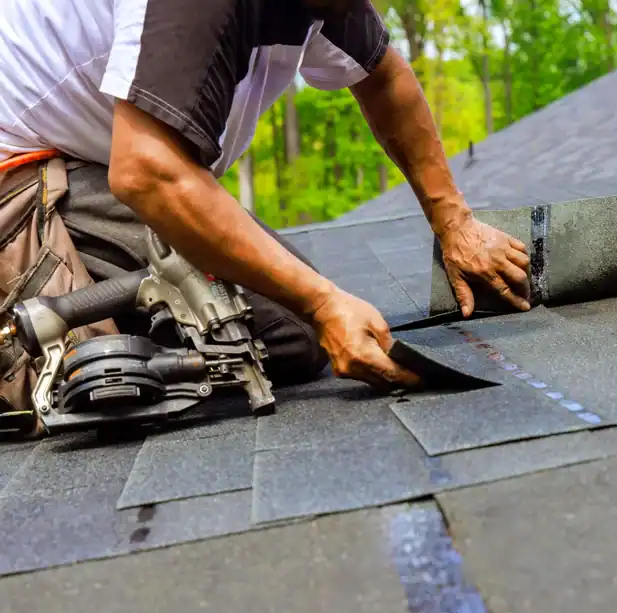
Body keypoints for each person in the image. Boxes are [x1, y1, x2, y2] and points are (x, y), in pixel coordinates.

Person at [0, 0, 532, 394]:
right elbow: (147, 172)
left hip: (102, 162)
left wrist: (455, 223)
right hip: (27, 178)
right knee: (288, 333)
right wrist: (324, 304)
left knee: (283, 325)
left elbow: (383, 77)